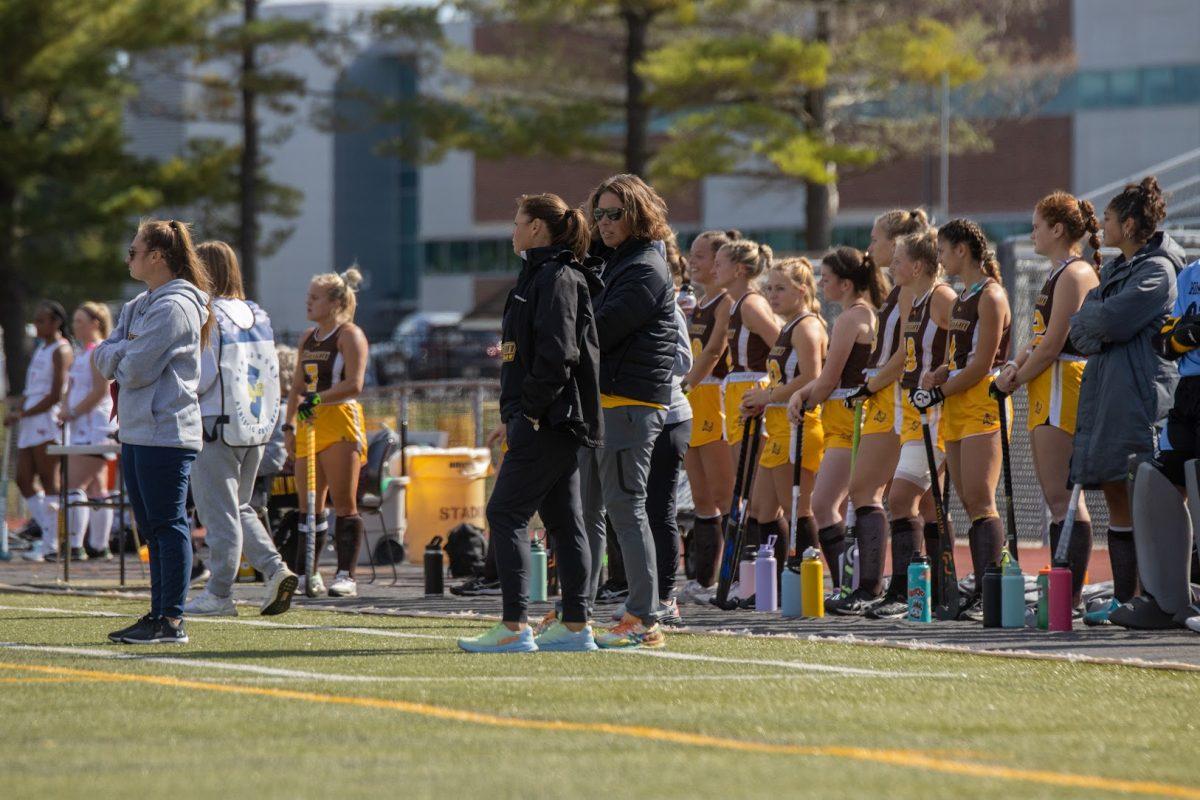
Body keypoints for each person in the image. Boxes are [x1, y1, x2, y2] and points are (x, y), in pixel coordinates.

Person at [458, 193, 603, 653]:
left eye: (519, 222)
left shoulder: (557, 277)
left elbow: (559, 355)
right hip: (544, 417)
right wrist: (512, 413)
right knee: (563, 519)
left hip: (550, 418)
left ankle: (515, 626)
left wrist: (530, 412)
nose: (513, 231)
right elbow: (524, 353)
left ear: (538, 227)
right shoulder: (537, 274)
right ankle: (575, 626)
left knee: (505, 512)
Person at [1068, 177, 1183, 629]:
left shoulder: (1159, 269)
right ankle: (1124, 600)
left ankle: (1164, 597)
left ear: (1131, 223)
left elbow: (1110, 321)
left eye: (1111, 218)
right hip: (1108, 394)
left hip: (1139, 397)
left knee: (1147, 497)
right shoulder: (1116, 269)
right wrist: (1094, 321)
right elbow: (1080, 328)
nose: (1105, 225)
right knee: (1117, 493)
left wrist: (1095, 321)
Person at [97, 219, 212, 645]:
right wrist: (122, 351)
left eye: (133, 251)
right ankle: (159, 613)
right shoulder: (137, 306)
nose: (128, 258)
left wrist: (121, 352)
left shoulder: (175, 306)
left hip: (166, 431)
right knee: (151, 528)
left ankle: (172, 620)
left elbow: (136, 369)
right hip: (138, 430)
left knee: (168, 524)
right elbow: (104, 354)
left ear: (157, 257)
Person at [579, 173, 677, 649]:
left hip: (628, 404)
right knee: (591, 510)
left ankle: (644, 616)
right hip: (603, 403)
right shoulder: (611, 260)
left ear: (638, 214)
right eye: (599, 213)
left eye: (614, 213)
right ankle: (577, 611)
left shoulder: (645, 267)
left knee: (626, 508)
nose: (604, 222)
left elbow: (601, 327)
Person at [994, 192, 1101, 609]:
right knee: (1057, 498)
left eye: (1038, 225)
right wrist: (1014, 366)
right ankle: (1062, 592)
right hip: (1046, 386)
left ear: (1058, 229)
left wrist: (1014, 380)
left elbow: (1055, 343)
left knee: (1064, 498)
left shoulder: (1075, 274)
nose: (1033, 233)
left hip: (1062, 386)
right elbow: (1039, 338)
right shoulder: (1057, 273)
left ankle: (1067, 596)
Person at [183, 241, 297, 618]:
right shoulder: (256, 313)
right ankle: (275, 568)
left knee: (219, 516)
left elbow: (202, 375)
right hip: (256, 427)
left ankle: (219, 594)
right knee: (240, 507)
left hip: (215, 425)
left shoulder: (208, 314)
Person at [914, 219, 1013, 620]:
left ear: (962, 250)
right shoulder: (962, 297)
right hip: (957, 403)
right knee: (963, 499)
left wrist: (941, 389)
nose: (939, 256)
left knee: (979, 497)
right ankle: (974, 586)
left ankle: (994, 587)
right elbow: (958, 360)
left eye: (943, 248)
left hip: (981, 402)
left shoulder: (991, 295)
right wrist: (939, 372)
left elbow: (983, 364)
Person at [840, 209, 932, 618]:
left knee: (873, 490)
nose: (870, 248)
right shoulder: (897, 290)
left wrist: (873, 384)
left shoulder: (912, 290)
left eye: (876, 239)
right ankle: (890, 588)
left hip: (897, 397)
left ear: (897, 242)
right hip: (885, 395)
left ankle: (886, 589)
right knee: (892, 496)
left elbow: (906, 353)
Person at [788, 247, 888, 598]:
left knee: (824, 504)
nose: (820, 284)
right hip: (844, 416)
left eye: (826, 279)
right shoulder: (861, 314)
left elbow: (829, 379)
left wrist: (802, 399)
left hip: (849, 418)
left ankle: (853, 583)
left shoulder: (852, 318)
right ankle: (852, 582)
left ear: (846, 284)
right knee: (836, 504)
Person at [284, 268, 370, 598]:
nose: (308, 302)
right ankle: (309, 572)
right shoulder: (307, 337)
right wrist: (288, 425)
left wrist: (318, 398)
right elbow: (296, 387)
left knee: (344, 503)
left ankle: (346, 574)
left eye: (315, 297)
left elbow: (355, 384)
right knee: (309, 504)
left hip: (339, 421)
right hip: (308, 423)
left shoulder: (349, 334)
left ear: (335, 302)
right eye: (308, 296)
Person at [740, 258, 825, 581]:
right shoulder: (788, 325)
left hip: (798, 426)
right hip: (776, 427)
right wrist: (759, 396)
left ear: (801, 290)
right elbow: (781, 378)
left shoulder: (806, 326)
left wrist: (768, 396)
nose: (772, 295)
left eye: (780, 289)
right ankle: (772, 582)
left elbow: (812, 376)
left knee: (797, 509)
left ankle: (806, 578)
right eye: (770, 288)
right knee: (762, 508)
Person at [678, 229, 737, 604]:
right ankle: (705, 580)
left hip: (714, 399)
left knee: (724, 494)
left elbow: (714, 353)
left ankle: (733, 578)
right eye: (693, 255)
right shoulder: (699, 303)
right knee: (701, 497)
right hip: (693, 400)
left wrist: (684, 383)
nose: (692, 262)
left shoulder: (728, 302)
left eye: (701, 256)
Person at [9, 301, 73, 562]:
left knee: (49, 481)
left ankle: (52, 543)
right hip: (29, 420)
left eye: (41, 321)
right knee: (23, 479)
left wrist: (24, 412)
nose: (36, 325)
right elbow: (31, 389)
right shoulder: (40, 349)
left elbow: (55, 394)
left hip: (47, 420)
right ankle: (47, 532)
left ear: (56, 322)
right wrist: (18, 409)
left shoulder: (61, 349)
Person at [715, 239, 781, 467]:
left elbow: (783, 348)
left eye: (719, 264)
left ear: (739, 269)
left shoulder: (751, 305)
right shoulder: (736, 303)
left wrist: (769, 391)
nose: (715, 270)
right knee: (743, 483)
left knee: (751, 480)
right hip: (736, 391)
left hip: (752, 390)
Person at [61, 302, 117, 561]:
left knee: (73, 484)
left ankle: (76, 546)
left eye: (80, 321)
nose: (75, 326)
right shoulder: (83, 353)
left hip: (95, 428)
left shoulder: (98, 352)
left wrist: (73, 411)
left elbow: (99, 390)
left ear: (96, 323)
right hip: (82, 428)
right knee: (97, 488)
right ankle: (98, 545)